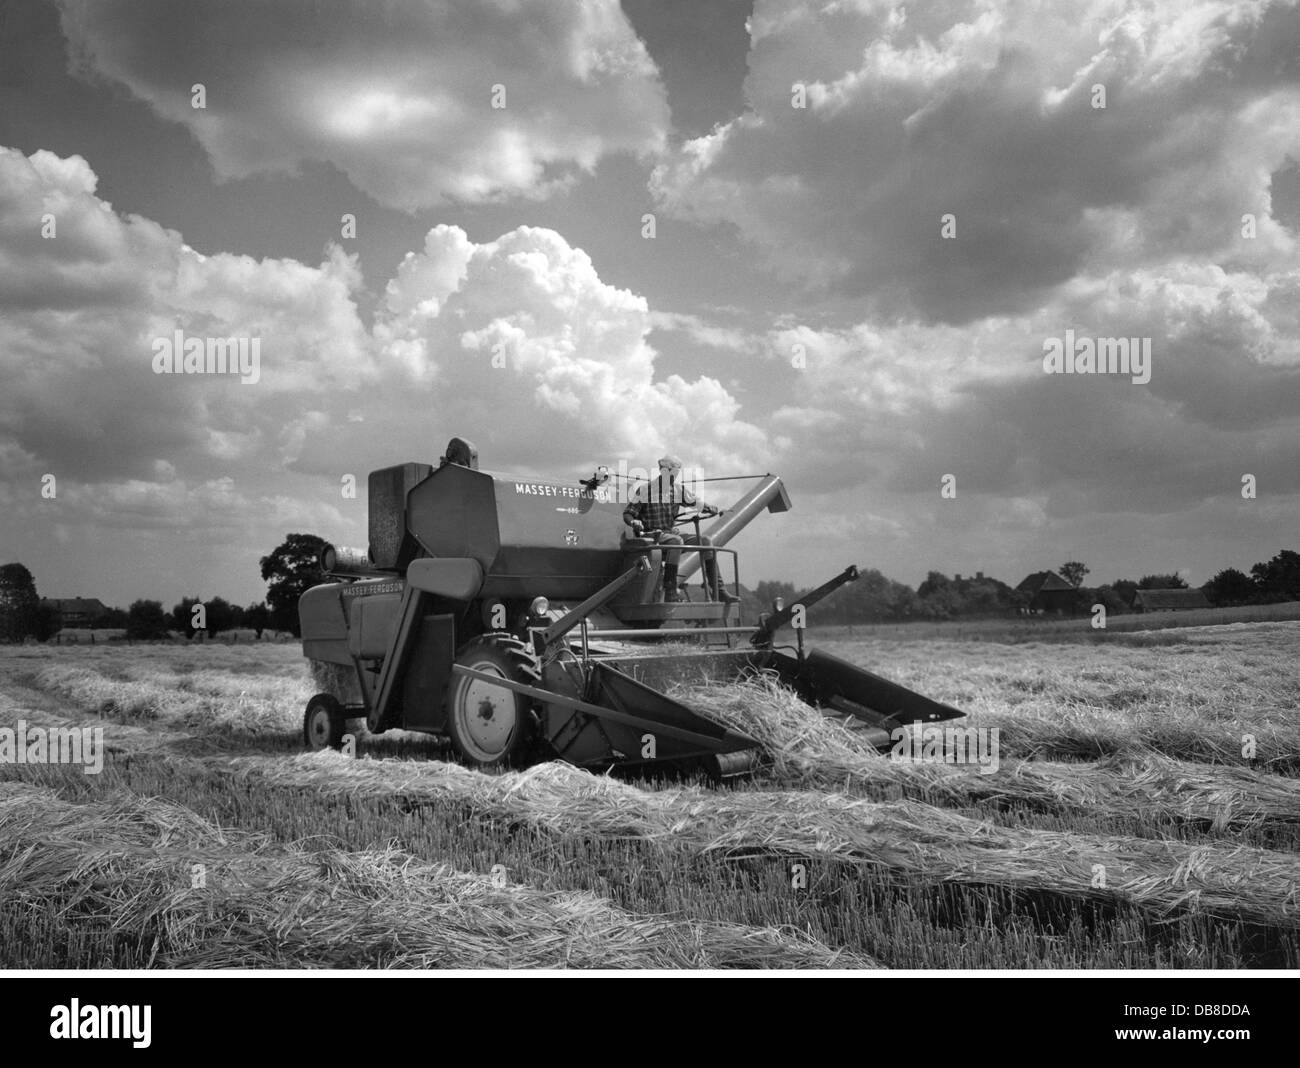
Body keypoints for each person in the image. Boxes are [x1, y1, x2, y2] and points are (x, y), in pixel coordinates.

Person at [623, 455, 736, 603]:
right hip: (652, 535)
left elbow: (698, 504)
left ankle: (719, 590)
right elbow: (628, 514)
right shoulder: (645, 490)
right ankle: (670, 590)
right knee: (676, 541)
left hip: (669, 534)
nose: (673, 475)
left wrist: (715, 509)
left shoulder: (678, 490)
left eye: (675, 472)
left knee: (706, 541)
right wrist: (634, 522)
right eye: (671, 471)